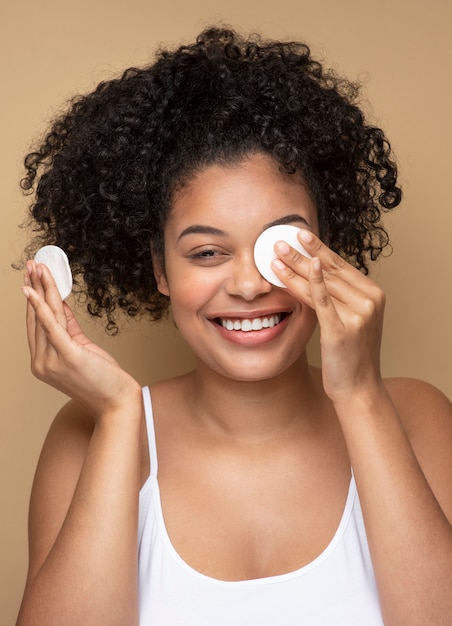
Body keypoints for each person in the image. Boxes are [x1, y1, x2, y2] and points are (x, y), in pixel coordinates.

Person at [16, 26, 452, 626]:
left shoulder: (415, 417)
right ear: (158, 268)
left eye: (282, 247)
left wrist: (360, 392)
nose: (249, 285)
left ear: (328, 246)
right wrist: (120, 416)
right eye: (207, 253)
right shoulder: (85, 435)